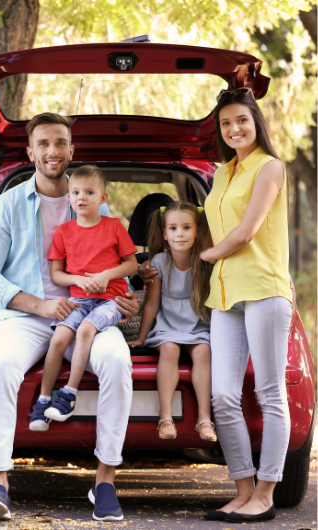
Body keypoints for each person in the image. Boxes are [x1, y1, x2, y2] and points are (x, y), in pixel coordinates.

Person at [0, 113, 140, 522]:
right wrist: (38, 304)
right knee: (4, 367)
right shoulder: (7, 205)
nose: (53, 151)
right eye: (44, 143)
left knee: (118, 363)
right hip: (26, 317)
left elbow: (115, 262)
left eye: (60, 143)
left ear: (71, 150)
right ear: (30, 152)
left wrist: (128, 299)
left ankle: (104, 481)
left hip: (90, 314)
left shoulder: (90, 200)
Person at [198, 88, 293, 524]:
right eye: (226, 124)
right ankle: (243, 491)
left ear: (256, 123)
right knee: (222, 396)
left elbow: (244, 233)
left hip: (263, 290)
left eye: (242, 121)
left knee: (270, 392)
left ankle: (267, 492)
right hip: (224, 294)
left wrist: (202, 257)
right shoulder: (222, 174)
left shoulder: (270, 168)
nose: (234, 129)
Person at [28, 165, 139, 429]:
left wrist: (106, 275)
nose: (82, 197)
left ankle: (68, 394)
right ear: (68, 196)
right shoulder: (64, 232)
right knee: (58, 339)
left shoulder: (113, 227)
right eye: (76, 192)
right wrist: (77, 279)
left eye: (89, 192)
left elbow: (132, 264)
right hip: (79, 300)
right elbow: (57, 274)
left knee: (86, 329)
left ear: (103, 198)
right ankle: (44, 401)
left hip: (110, 300)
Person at [128, 202, 216, 443]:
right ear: (165, 234)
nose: (180, 233)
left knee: (203, 352)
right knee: (169, 349)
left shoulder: (204, 262)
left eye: (187, 227)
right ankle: (165, 417)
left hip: (196, 325)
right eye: (174, 228)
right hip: (167, 326)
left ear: (197, 231)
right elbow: (153, 304)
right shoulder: (158, 262)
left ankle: (205, 419)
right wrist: (141, 337)